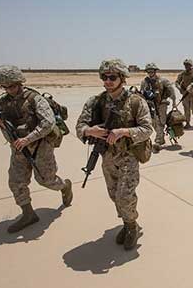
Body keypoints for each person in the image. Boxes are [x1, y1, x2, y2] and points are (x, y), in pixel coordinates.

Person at [75, 59, 153, 250]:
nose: (107, 81)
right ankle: (127, 223)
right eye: (104, 77)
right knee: (113, 195)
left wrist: (123, 132)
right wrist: (89, 131)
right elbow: (79, 127)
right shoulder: (96, 102)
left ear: (122, 79)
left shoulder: (135, 102)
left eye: (112, 77)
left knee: (124, 196)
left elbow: (147, 129)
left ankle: (132, 226)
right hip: (107, 157)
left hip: (129, 156)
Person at [0, 65, 72, 233]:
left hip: (40, 146)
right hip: (18, 149)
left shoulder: (34, 99)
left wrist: (28, 138)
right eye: (4, 87)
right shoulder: (2, 103)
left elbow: (48, 123)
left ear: (19, 82)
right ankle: (28, 214)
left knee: (46, 180)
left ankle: (65, 186)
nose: (8, 90)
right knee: (16, 181)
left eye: (11, 86)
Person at [140, 63, 176, 152]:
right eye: (148, 71)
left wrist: (174, 102)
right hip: (150, 104)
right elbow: (141, 93)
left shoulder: (163, 80)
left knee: (161, 122)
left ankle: (158, 141)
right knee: (153, 122)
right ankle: (161, 137)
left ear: (155, 71)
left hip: (162, 104)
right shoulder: (144, 81)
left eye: (152, 71)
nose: (150, 72)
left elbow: (171, 90)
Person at [175, 59, 193, 129]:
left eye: (188, 65)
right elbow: (176, 82)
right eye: (185, 65)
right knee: (186, 110)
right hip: (185, 95)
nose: (187, 66)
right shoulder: (182, 74)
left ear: (191, 65)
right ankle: (187, 123)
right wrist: (180, 89)